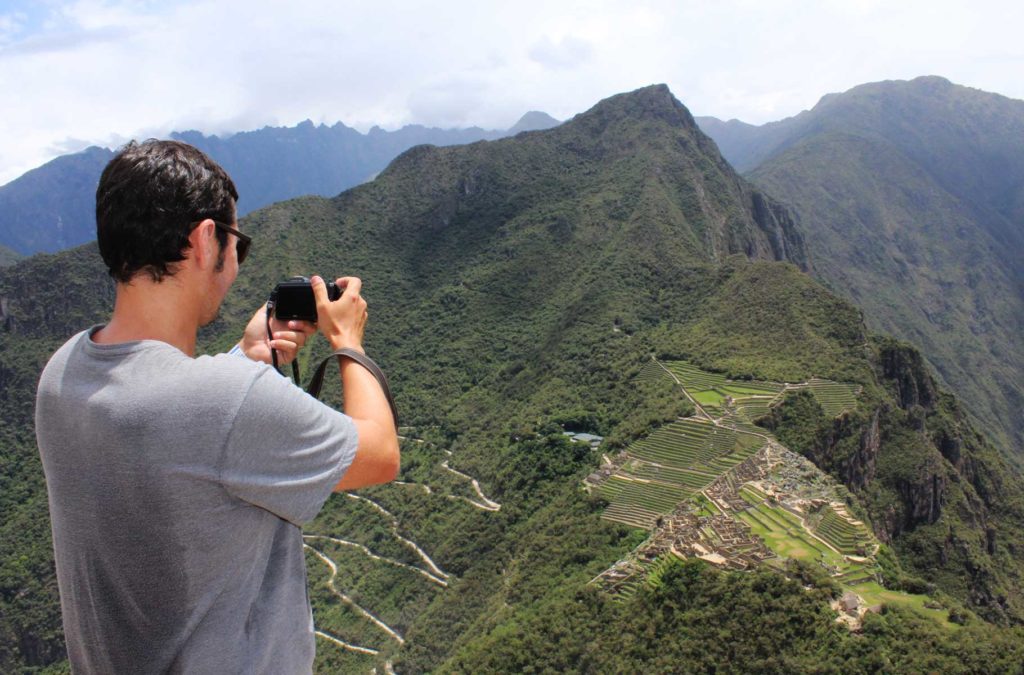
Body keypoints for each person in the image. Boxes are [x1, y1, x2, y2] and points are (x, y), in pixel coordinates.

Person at [34, 139, 399, 673]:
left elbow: (177, 429)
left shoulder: (61, 374)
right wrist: (348, 342)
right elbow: (380, 453)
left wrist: (248, 356)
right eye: (238, 244)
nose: (234, 264)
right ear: (207, 241)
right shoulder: (227, 401)